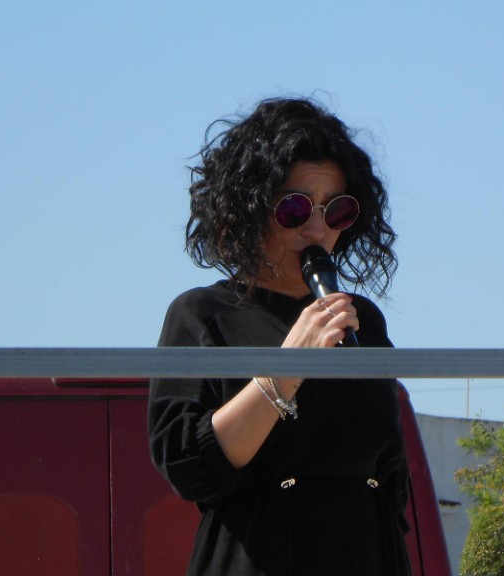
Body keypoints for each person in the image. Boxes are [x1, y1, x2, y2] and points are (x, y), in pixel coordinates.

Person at [148, 97, 408, 576]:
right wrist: (286, 370)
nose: (316, 229)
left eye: (336, 210)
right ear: (248, 207)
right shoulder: (204, 314)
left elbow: (391, 471)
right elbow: (186, 466)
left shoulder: (361, 320)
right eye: (295, 208)